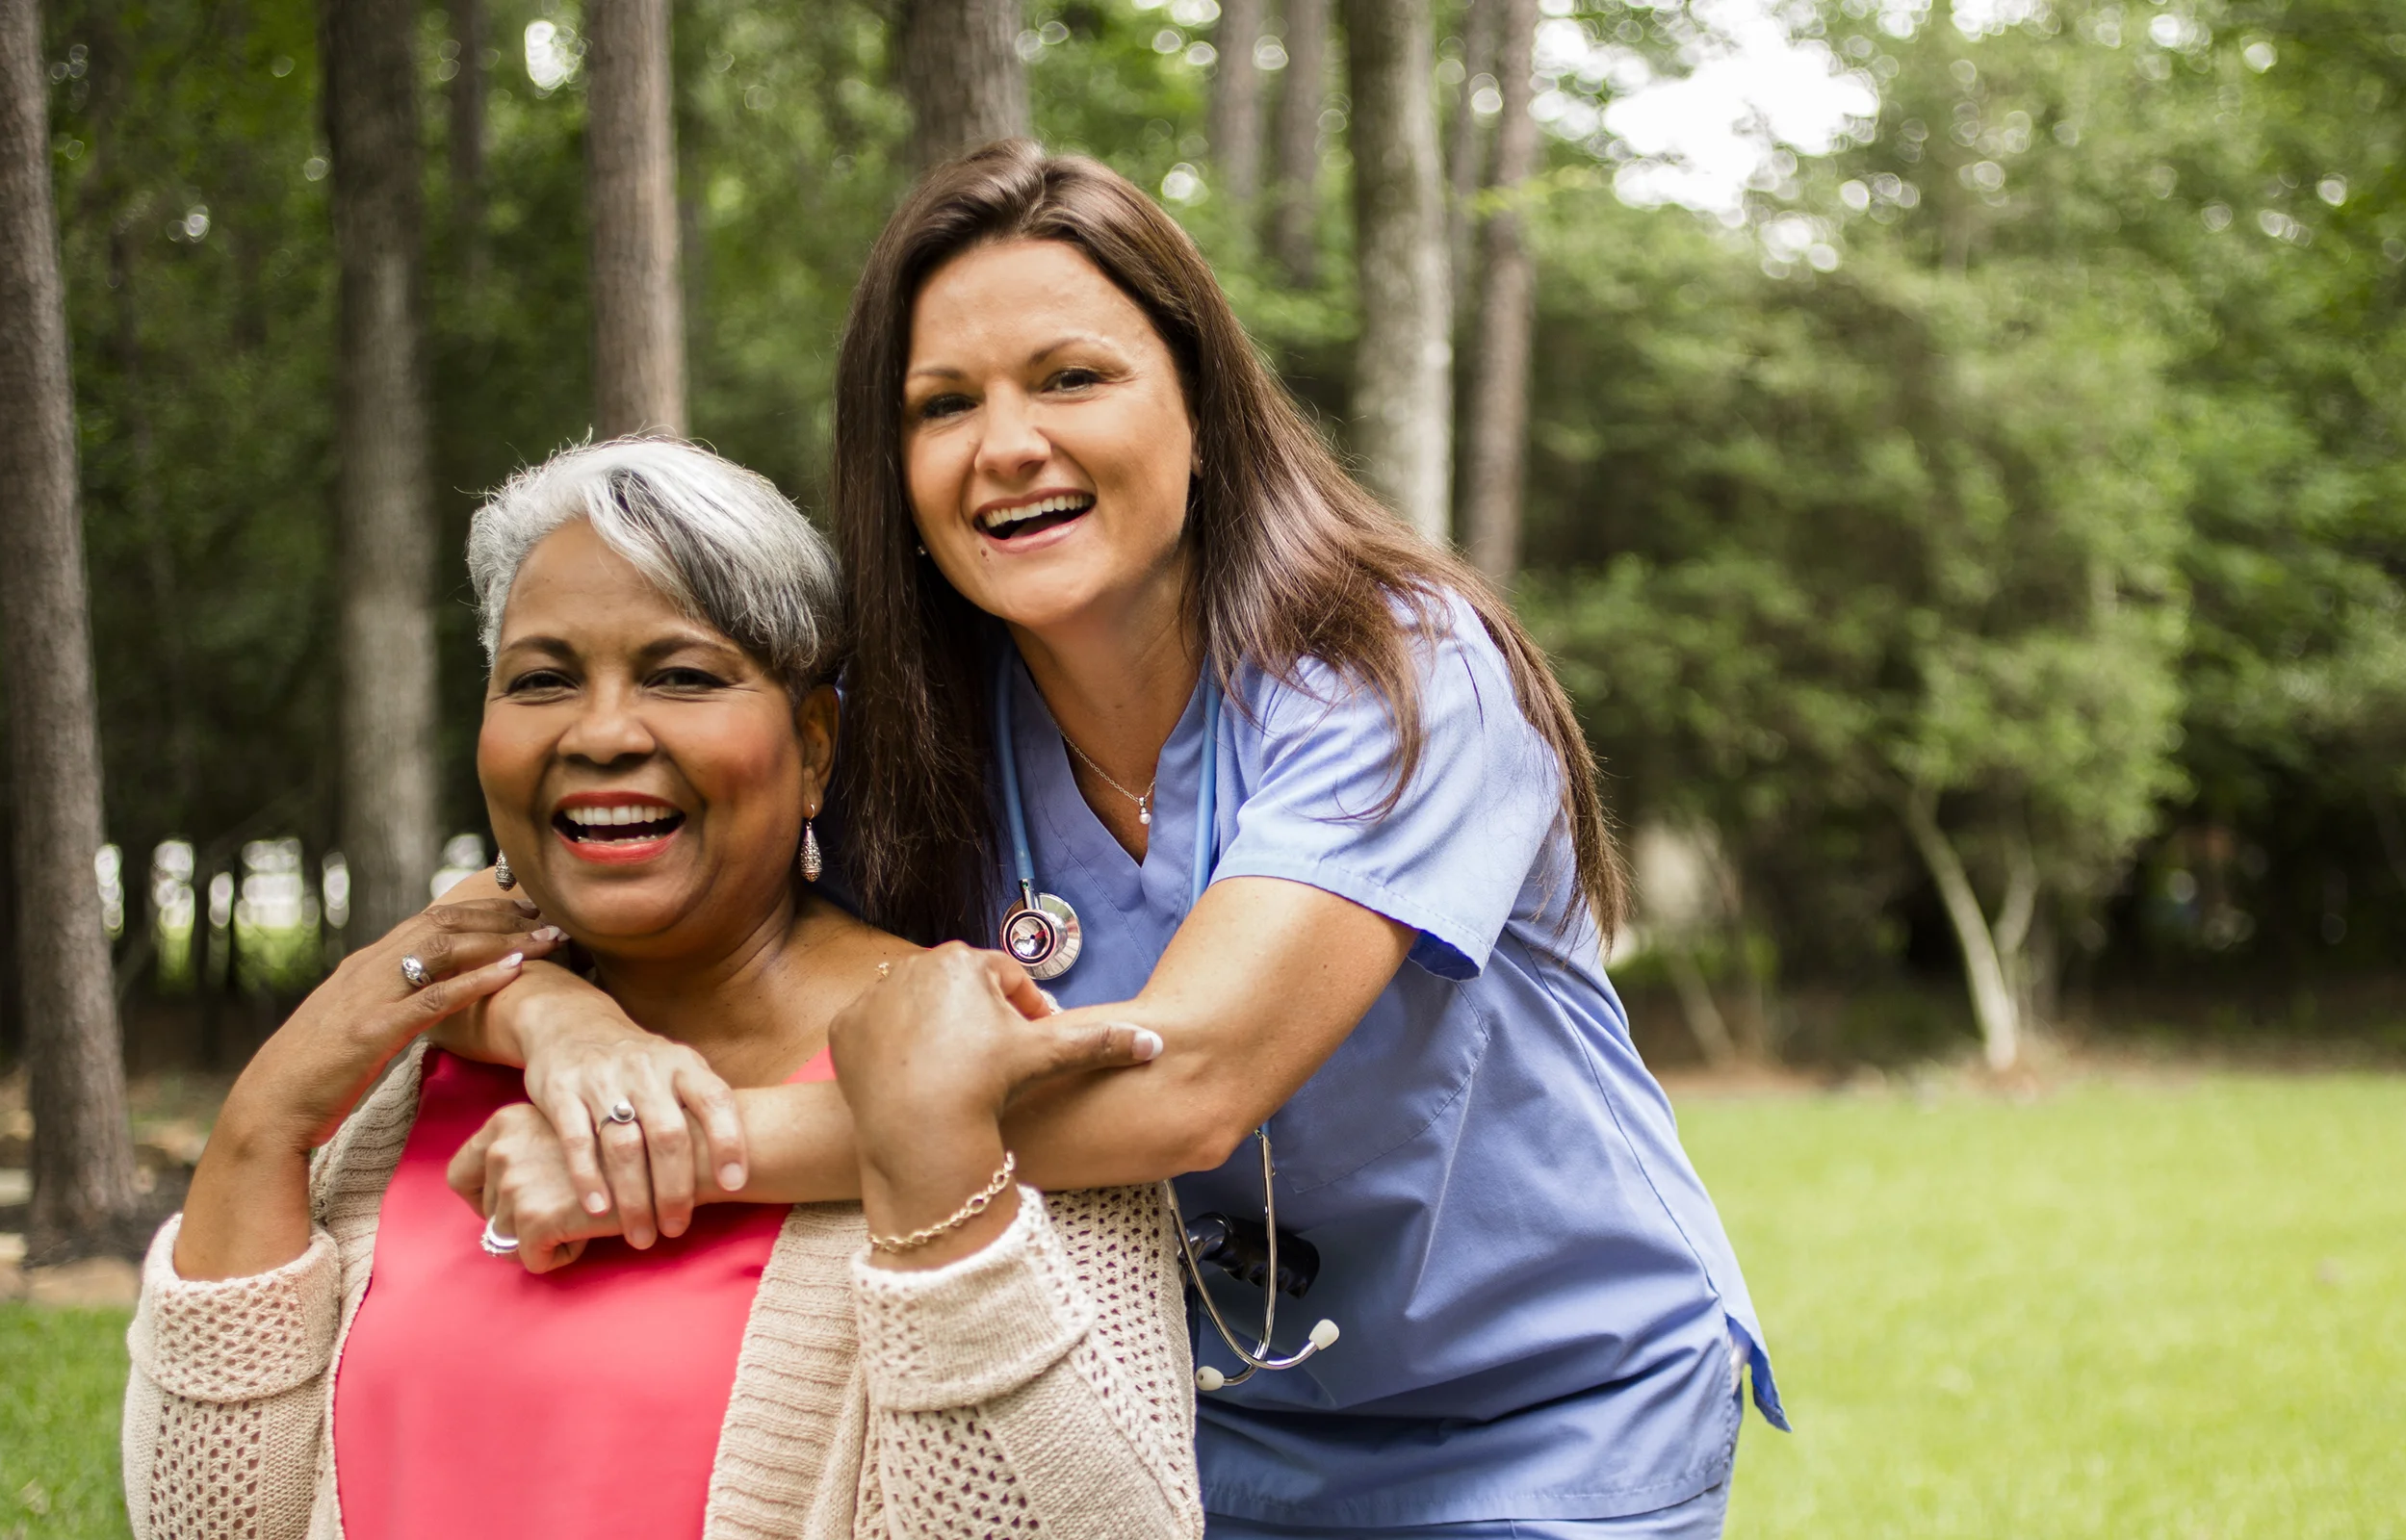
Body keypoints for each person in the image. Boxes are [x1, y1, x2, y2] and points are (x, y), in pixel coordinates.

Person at [452, 143, 1784, 1537]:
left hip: (1543, 1418)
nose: (1007, 443)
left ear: (1201, 405)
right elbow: (551, 906)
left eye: (1072, 378)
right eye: (943, 404)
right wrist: (569, 1034)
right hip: (1181, 1422)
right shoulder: (909, 741)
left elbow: (1186, 1085)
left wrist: (665, 1156)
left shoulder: (1404, 670)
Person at [120, 437, 1203, 1538]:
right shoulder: (409, 1067)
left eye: (680, 675)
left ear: (814, 743)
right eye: (541, 680)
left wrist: (933, 1168)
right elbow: (204, 1523)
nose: (599, 734)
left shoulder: (970, 1050)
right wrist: (262, 1122)